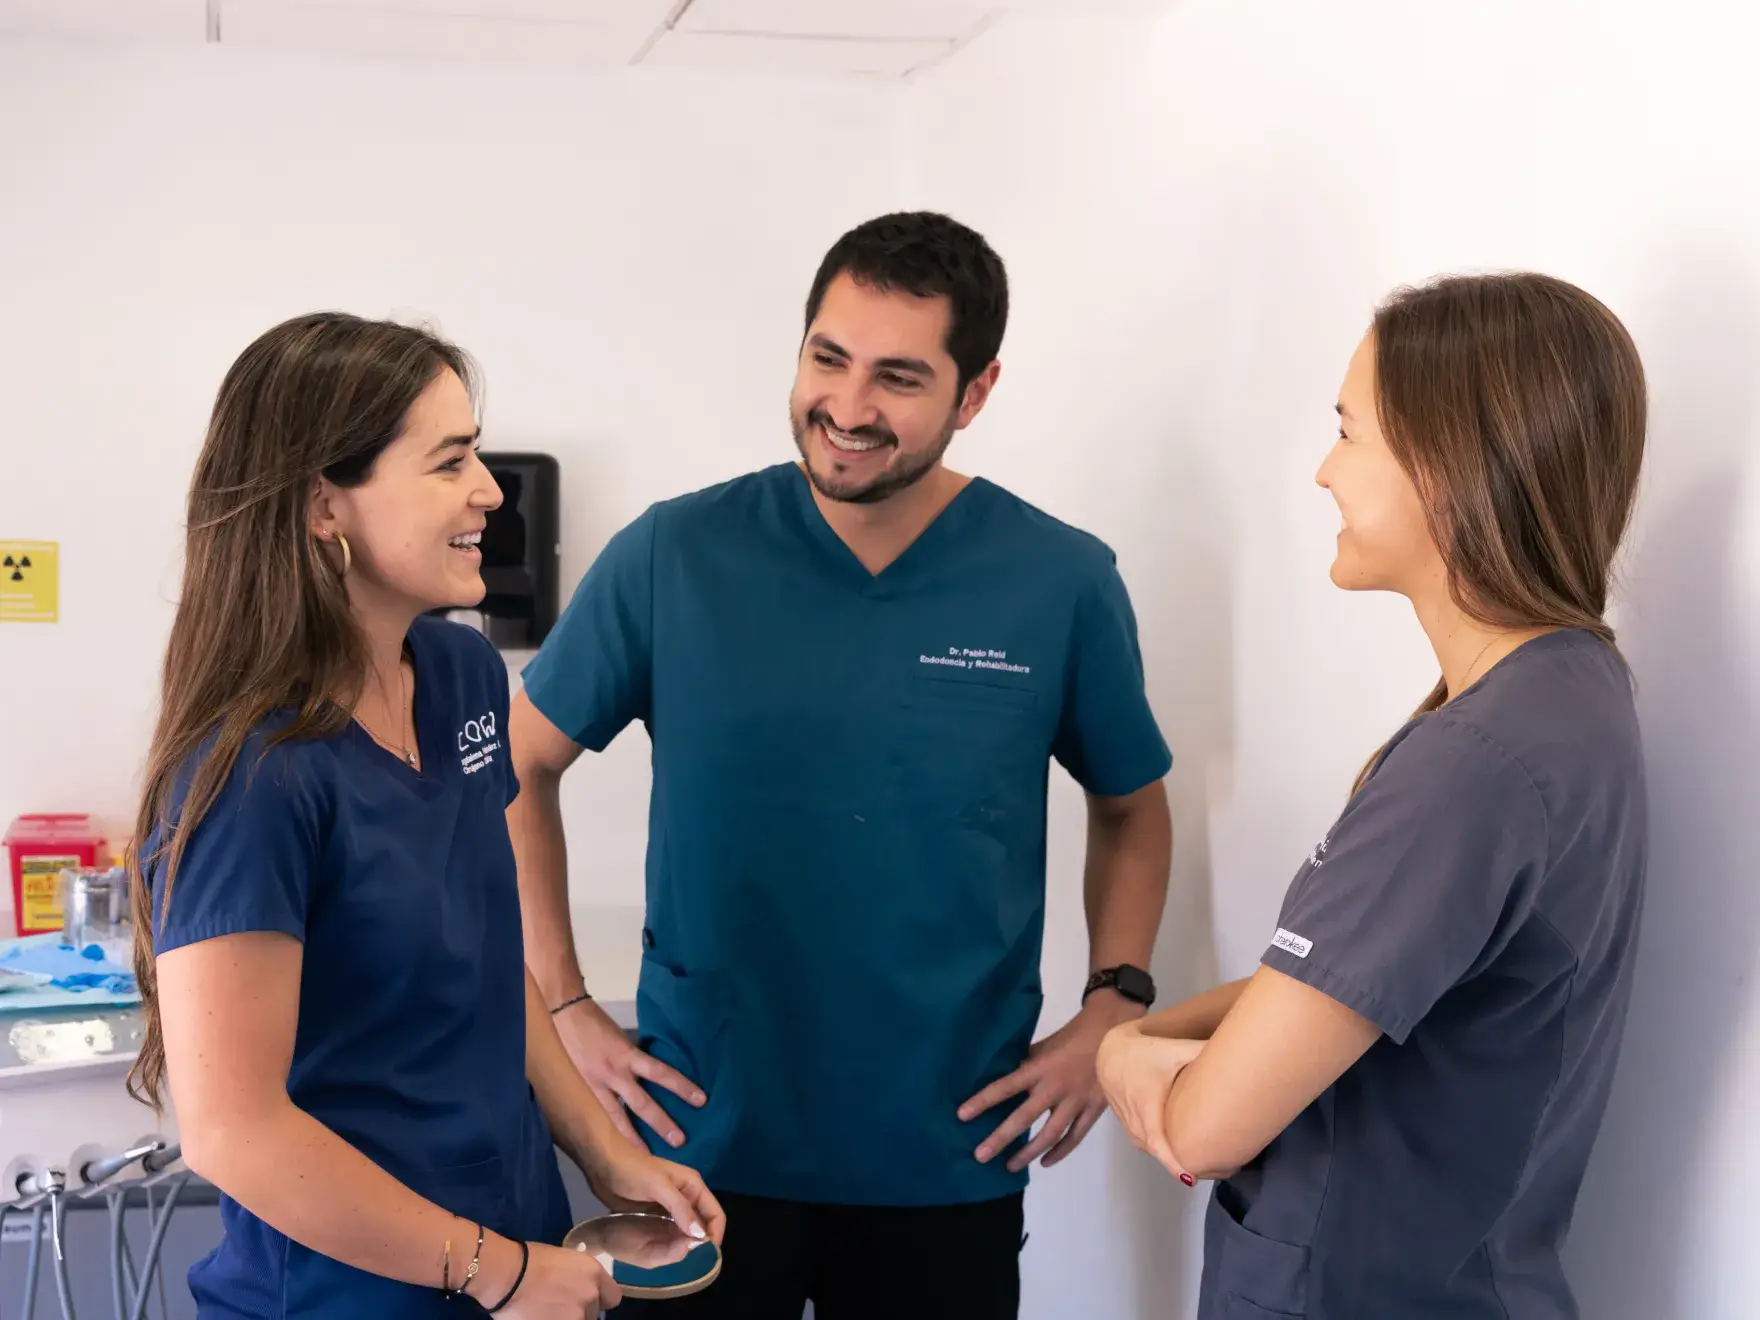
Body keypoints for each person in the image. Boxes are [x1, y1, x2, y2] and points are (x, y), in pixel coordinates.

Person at [508, 212, 1174, 1318]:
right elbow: (516, 774)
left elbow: (1132, 808)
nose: (848, 408)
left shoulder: (1057, 580)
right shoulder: (674, 557)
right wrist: (565, 1004)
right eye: (828, 357)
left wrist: (1113, 1005)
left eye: (899, 378)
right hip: (694, 1149)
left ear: (975, 393)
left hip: (945, 1150)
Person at [128, 313, 724, 1320]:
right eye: (449, 462)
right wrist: (495, 1269)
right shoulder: (252, 774)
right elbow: (233, 1131)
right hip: (350, 1290)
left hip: (510, 1238)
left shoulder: (460, 677)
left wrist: (600, 1148)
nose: (489, 490)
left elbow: (493, 963)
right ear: (325, 506)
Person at [1098, 273, 1649, 1319]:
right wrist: (1173, 1030)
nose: (1321, 472)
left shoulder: (1473, 763)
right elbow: (1352, 987)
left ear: (1447, 464)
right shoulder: (1575, 689)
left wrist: (1127, 1053)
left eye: (1346, 433)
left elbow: (1207, 1130)